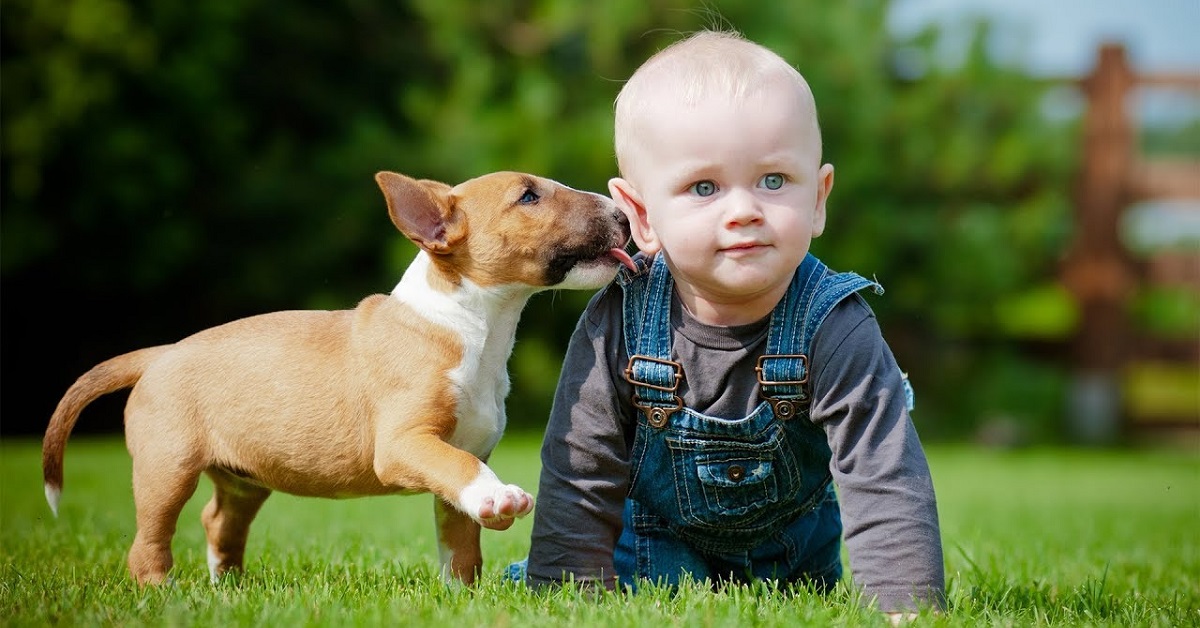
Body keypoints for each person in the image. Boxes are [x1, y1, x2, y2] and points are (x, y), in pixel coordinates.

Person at [513, 29, 946, 616]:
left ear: (818, 198)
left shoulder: (835, 326)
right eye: (704, 187)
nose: (744, 211)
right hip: (645, 566)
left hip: (792, 578)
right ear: (640, 215)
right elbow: (580, 470)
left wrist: (904, 606)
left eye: (774, 181)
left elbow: (883, 474)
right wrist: (566, 592)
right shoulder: (618, 320)